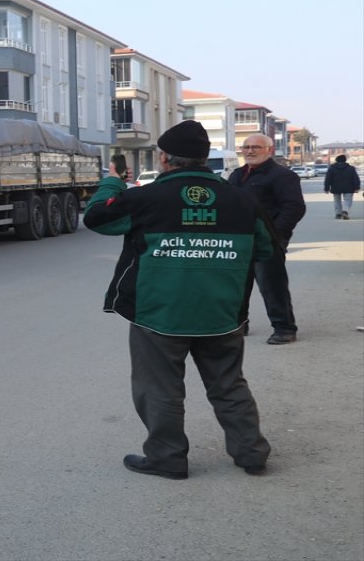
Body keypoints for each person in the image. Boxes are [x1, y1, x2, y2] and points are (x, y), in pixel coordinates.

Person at [84, 120, 275, 480]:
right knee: (229, 384)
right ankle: (251, 454)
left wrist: (112, 180)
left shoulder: (145, 197)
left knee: (159, 389)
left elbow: (97, 217)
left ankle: (167, 458)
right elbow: (264, 249)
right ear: (204, 160)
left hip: (158, 314)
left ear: (164, 159)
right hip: (221, 313)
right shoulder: (242, 199)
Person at [229, 134, 306, 344]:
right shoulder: (237, 175)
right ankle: (238, 325)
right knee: (236, 286)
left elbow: (294, 207)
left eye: (255, 147)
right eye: (245, 147)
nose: (249, 151)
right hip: (239, 241)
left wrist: (275, 235)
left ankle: (284, 328)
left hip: (268, 242)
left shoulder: (282, 176)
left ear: (269, 150)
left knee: (272, 286)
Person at [324, 154, 361, 220]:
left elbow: (328, 179)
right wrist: (357, 187)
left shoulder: (332, 168)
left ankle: (338, 214)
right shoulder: (351, 168)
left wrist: (326, 188)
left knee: (337, 200)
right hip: (348, 187)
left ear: (336, 160)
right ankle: (345, 211)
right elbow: (355, 178)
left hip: (335, 187)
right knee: (347, 200)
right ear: (345, 160)